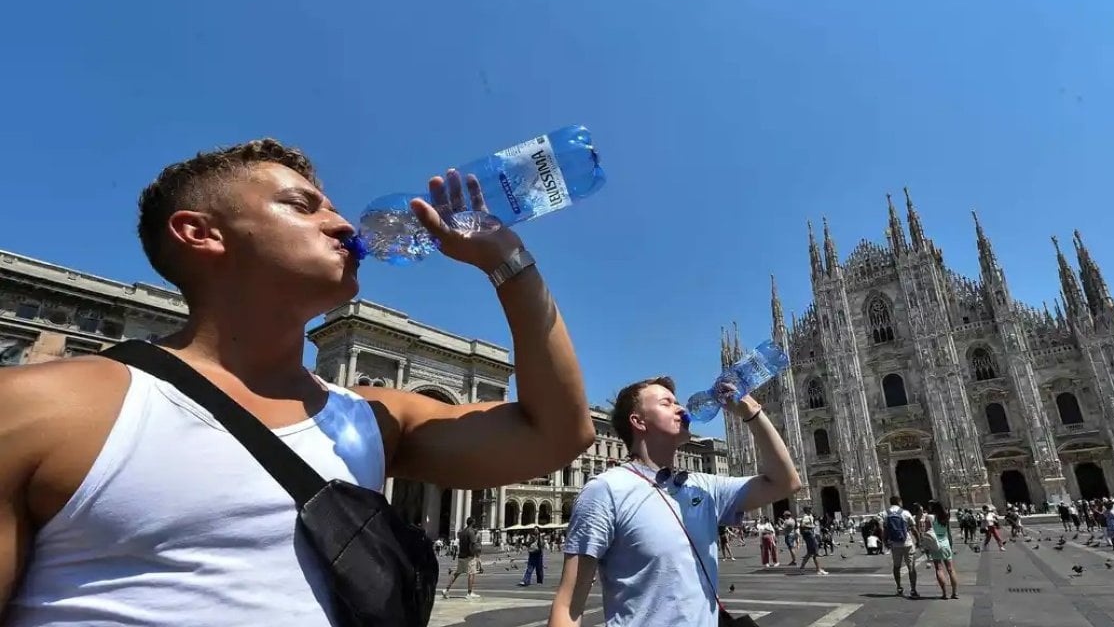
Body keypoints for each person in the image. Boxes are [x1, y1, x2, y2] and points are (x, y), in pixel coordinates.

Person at [0, 140, 595, 625]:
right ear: (200, 233)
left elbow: (559, 434)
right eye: (303, 205)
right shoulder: (45, 408)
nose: (340, 222)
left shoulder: (370, 418)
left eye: (332, 207)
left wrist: (509, 263)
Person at [548, 376, 801, 626]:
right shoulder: (606, 490)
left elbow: (785, 482)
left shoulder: (704, 486)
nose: (680, 408)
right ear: (638, 421)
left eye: (677, 402)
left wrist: (752, 412)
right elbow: (569, 605)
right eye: (666, 403)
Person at [884, 496, 920, 598]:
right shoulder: (905, 513)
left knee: (896, 567)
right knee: (911, 567)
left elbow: (885, 530)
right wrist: (918, 540)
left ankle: (899, 587)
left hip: (894, 544)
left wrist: (885, 542)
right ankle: (913, 589)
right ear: (899, 502)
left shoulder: (886, 514)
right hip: (907, 543)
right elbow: (913, 529)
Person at [923, 501, 958, 600]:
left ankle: (945, 593)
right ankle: (955, 593)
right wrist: (950, 545)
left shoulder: (929, 517)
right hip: (945, 542)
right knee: (951, 569)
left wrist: (926, 546)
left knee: (939, 568)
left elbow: (928, 532)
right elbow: (949, 533)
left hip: (935, 544)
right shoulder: (945, 516)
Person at [442, 517, 482, 600]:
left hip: (461, 555)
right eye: (474, 522)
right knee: (471, 574)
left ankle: (446, 589)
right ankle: (469, 593)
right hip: (469, 556)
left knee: (457, 573)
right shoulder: (471, 532)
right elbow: (473, 544)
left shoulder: (462, 532)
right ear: (472, 523)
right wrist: (475, 554)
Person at [797, 507, 829, 575]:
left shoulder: (810, 516)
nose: (811, 510)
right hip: (809, 536)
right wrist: (811, 526)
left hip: (810, 535)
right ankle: (818, 570)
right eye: (810, 509)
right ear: (807, 510)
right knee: (815, 553)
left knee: (810, 553)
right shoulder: (805, 517)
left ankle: (802, 568)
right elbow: (802, 525)